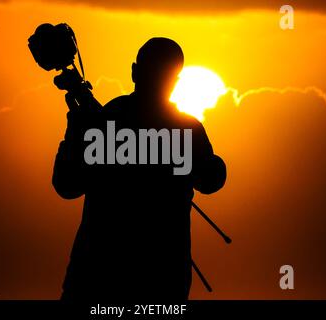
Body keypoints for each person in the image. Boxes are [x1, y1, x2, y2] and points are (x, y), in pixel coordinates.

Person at [52, 37, 226, 302]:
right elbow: (212, 180)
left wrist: (76, 128)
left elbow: (67, 185)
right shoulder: (187, 130)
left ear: (134, 72)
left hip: (96, 276)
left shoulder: (105, 119)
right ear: (175, 81)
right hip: (162, 277)